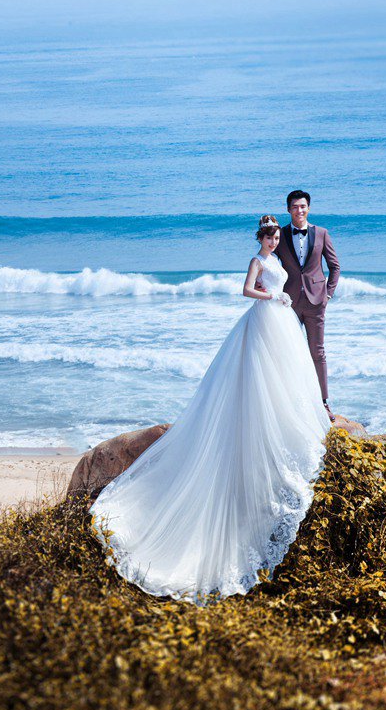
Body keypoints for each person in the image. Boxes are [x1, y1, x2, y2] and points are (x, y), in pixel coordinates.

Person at [90, 215, 331, 604]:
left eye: (274, 236)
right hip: (264, 319)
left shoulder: (279, 261)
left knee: (288, 372)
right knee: (259, 373)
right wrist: (273, 297)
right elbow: (245, 291)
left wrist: (285, 298)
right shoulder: (258, 261)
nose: (272, 241)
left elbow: (288, 280)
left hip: (282, 320)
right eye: (268, 236)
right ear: (261, 238)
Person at [275, 189, 339, 421]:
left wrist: (328, 294)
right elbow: (268, 262)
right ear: (288, 209)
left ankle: (323, 403)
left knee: (317, 352)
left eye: (303, 206)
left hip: (315, 302)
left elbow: (334, 266)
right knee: (288, 352)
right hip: (288, 303)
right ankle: (290, 403)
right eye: (294, 207)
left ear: (308, 208)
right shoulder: (279, 235)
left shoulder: (321, 233)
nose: (299, 210)